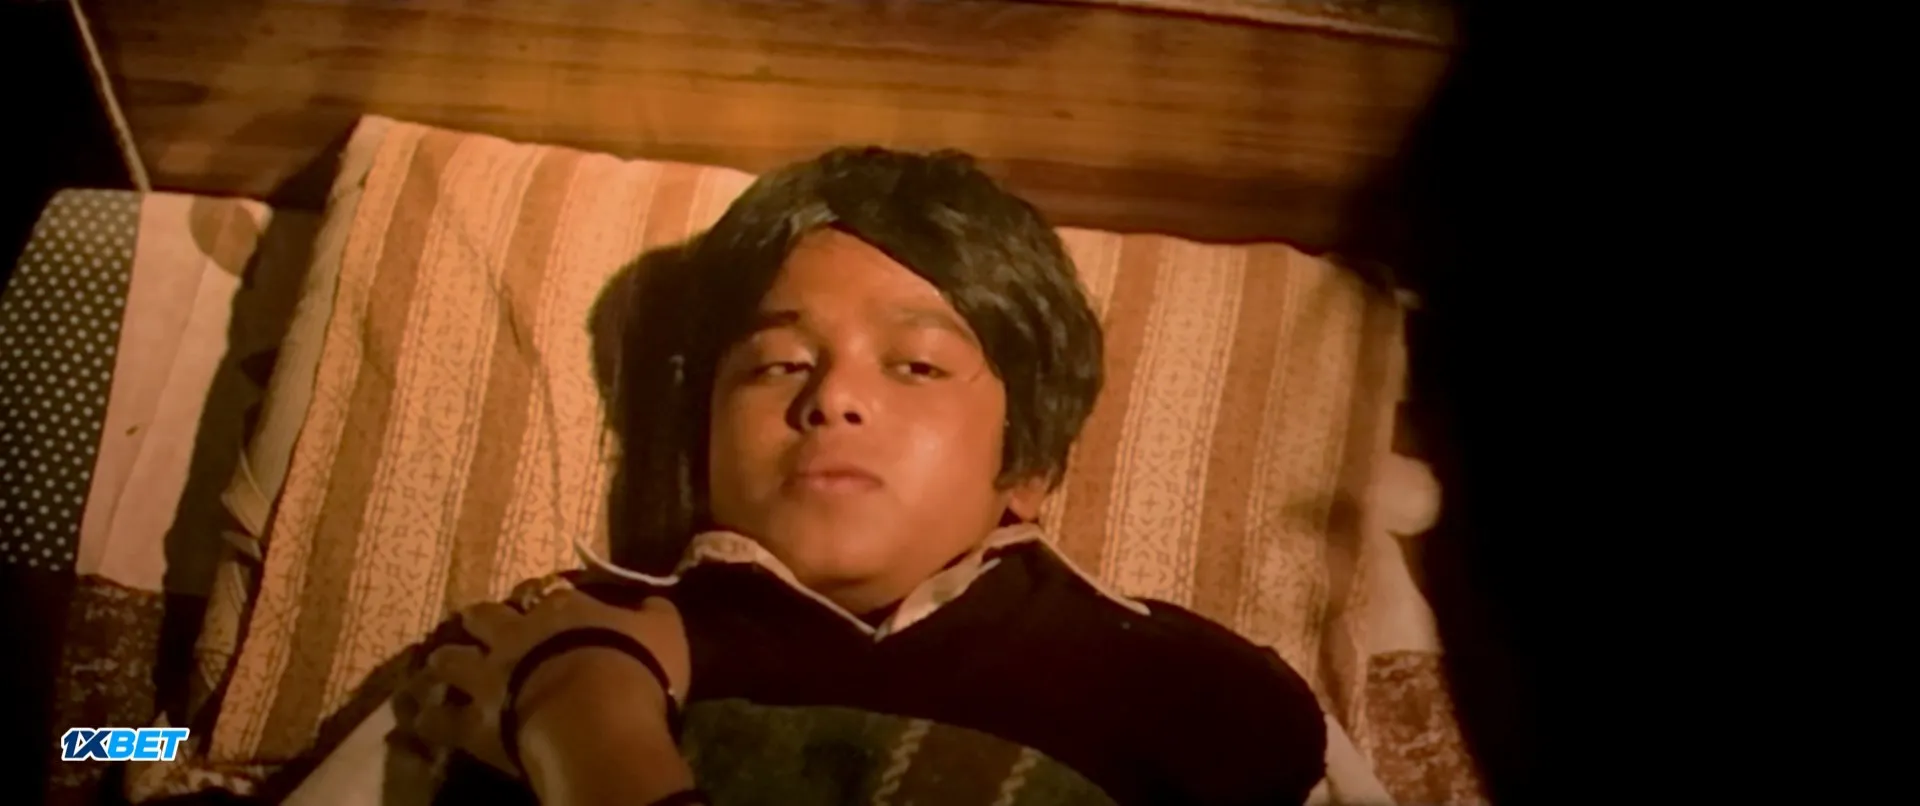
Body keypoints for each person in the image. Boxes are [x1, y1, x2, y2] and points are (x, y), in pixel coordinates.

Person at [407, 147, 1328, 806]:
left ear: (1029, 462)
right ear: (699, 439)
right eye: (776, 364)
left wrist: (583, 724)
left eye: (917, 365)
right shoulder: (528, 642)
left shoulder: (1195, 692)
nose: (834, 398)